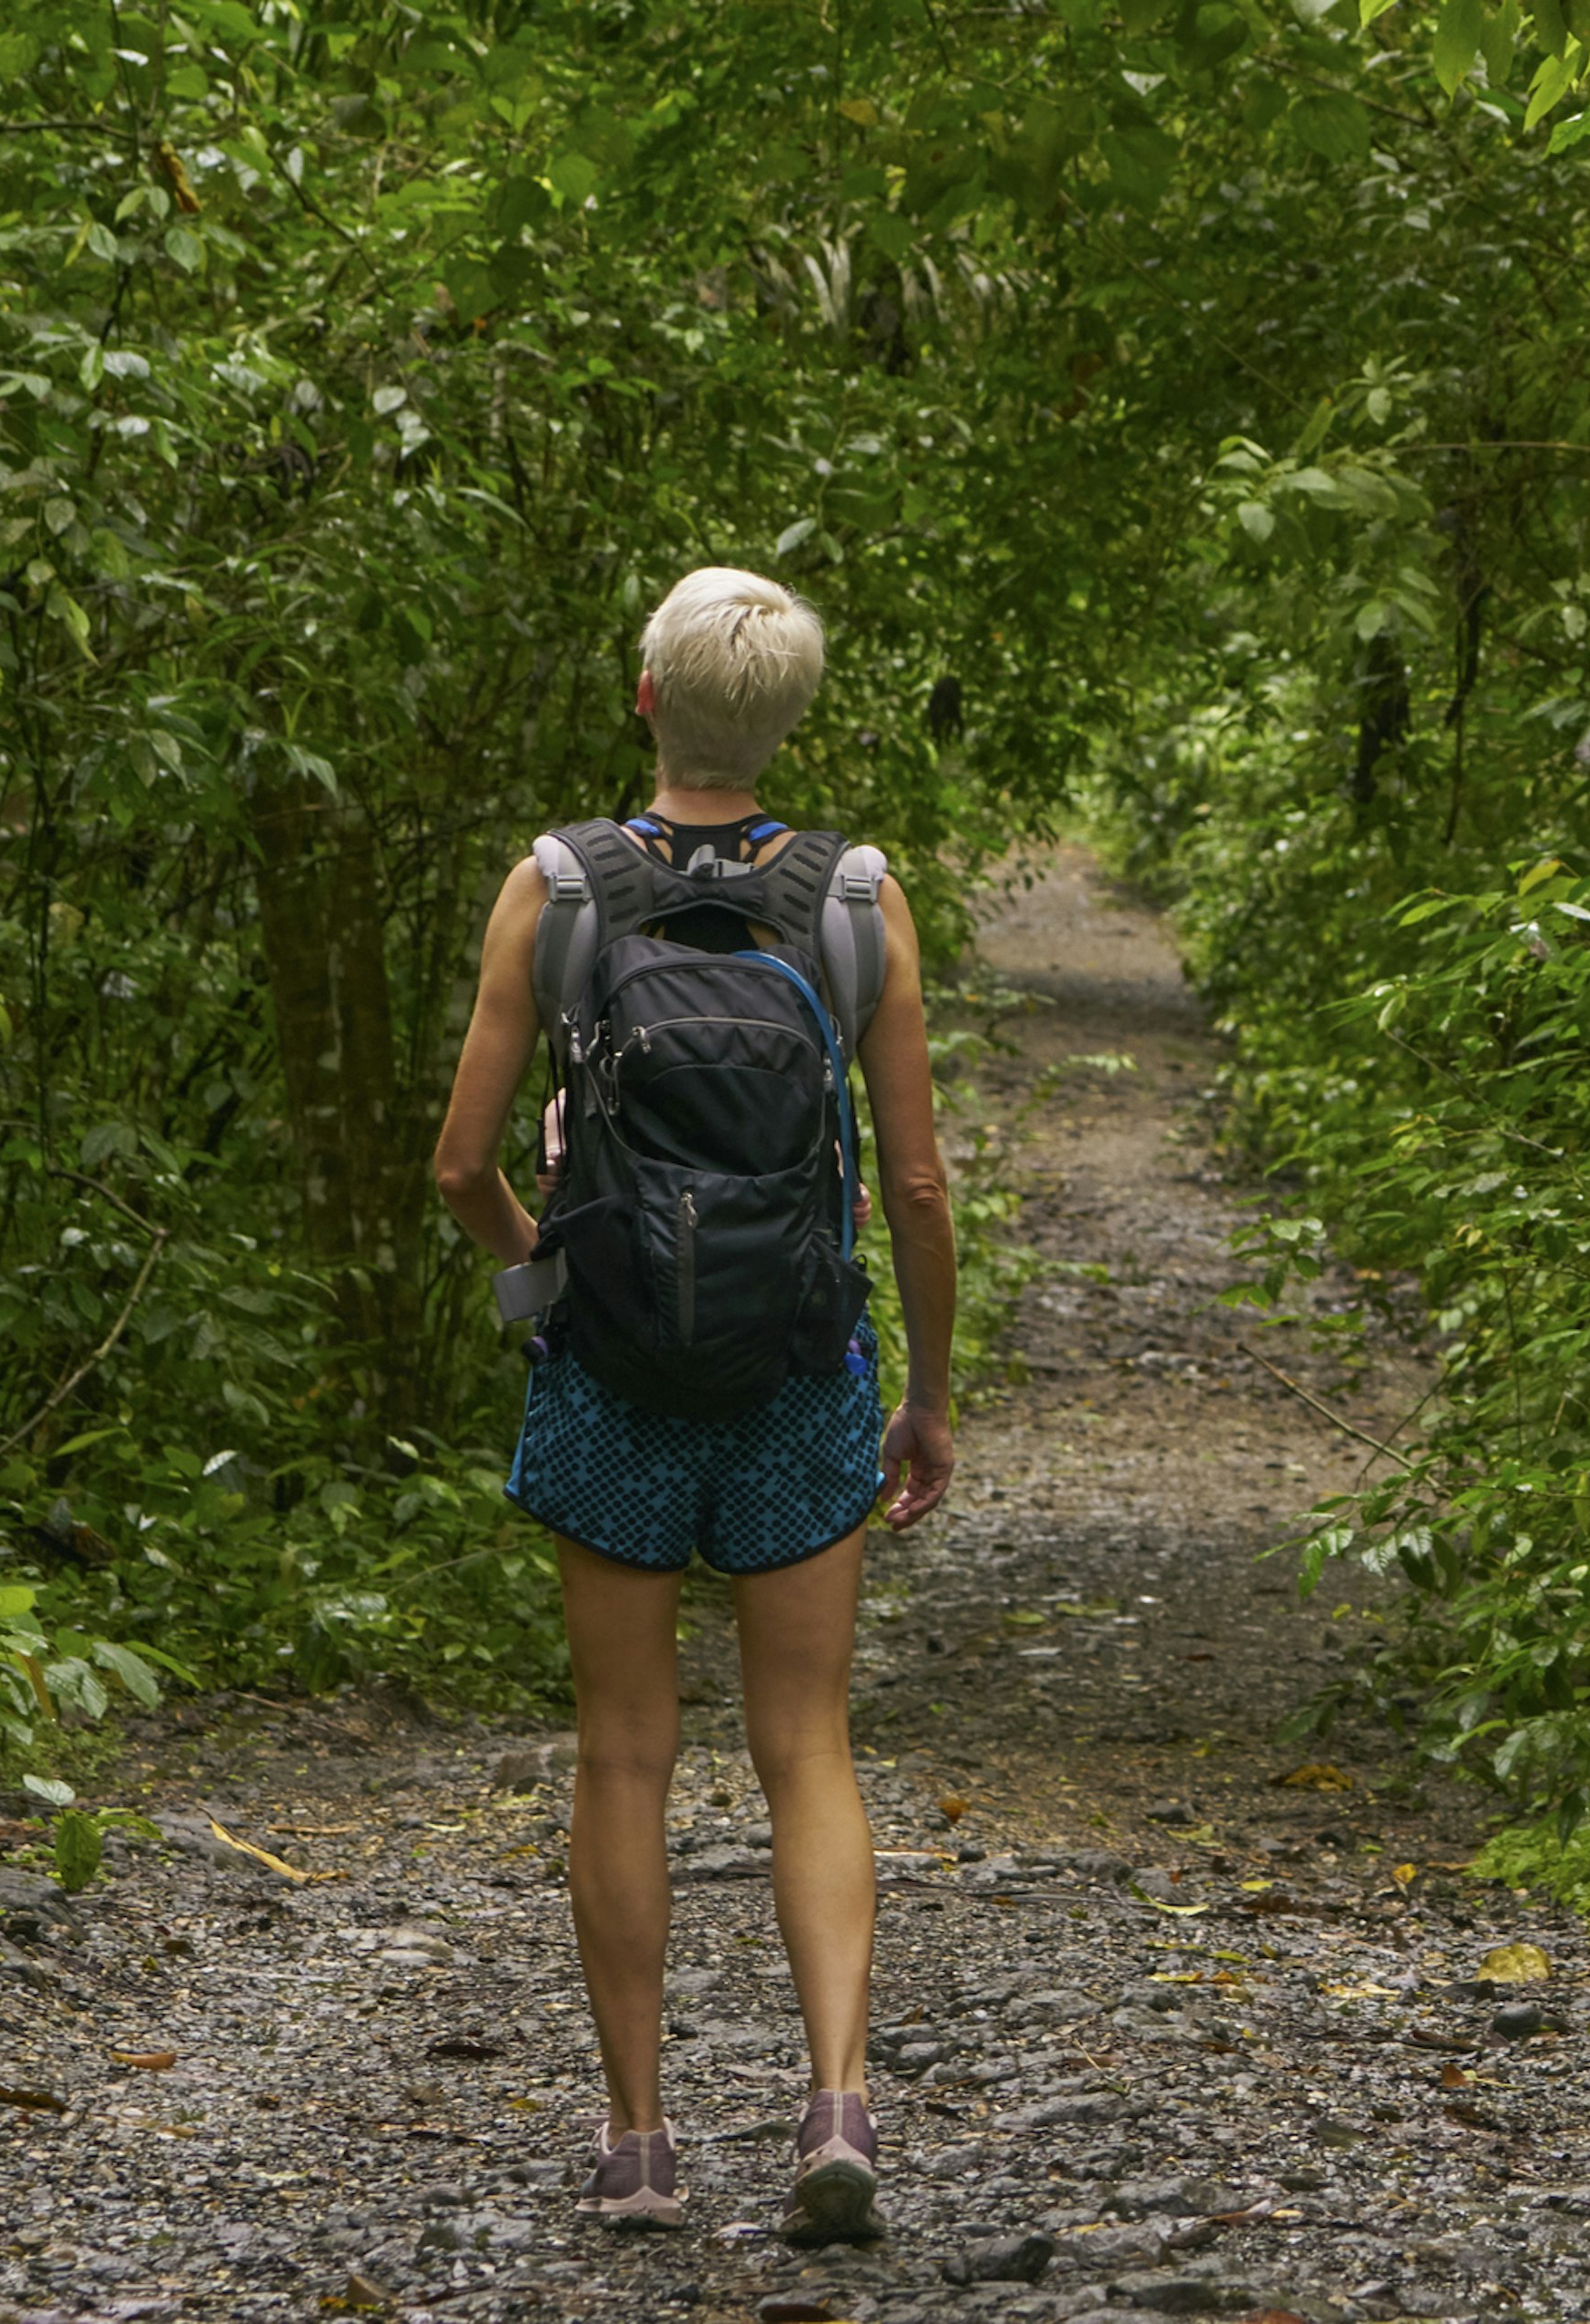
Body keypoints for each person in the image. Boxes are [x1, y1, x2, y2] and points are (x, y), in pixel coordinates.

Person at [431, 566, 957, 2243]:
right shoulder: (857, 901)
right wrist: (925, 1399)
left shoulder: (560, 889)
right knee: (807, 1741)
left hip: (614, 1371)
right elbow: (922, 1187)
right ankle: (836, 2102)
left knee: (627, 1753)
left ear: (647, 699)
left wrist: (546, 1272)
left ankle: (642, 2144)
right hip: (803, 1366)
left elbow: (459, 1167)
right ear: (785, 719)